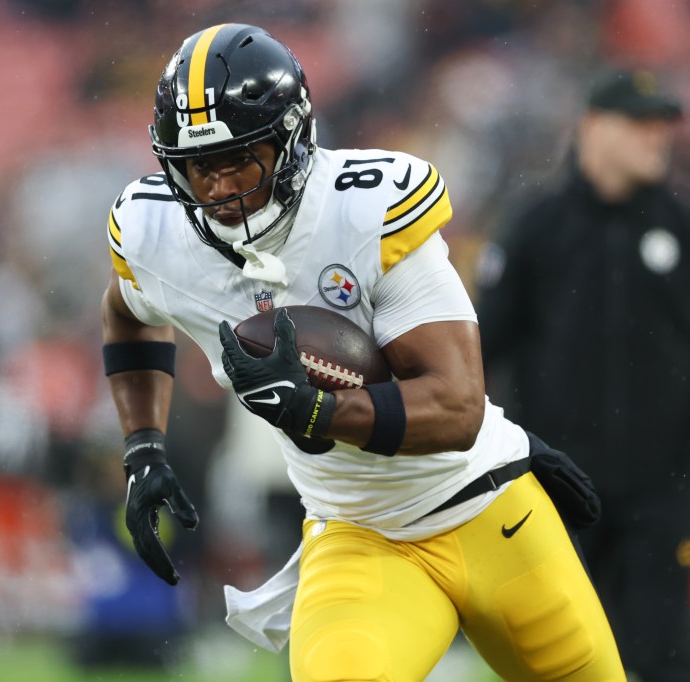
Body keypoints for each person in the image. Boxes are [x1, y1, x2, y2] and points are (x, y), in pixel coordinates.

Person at [101, 23, 625, 682]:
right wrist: (143, 447)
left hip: (488, 507)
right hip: (359, 534)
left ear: (290, 142)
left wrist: (318, 411)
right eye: (199, 168)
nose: (217, 189)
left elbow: (457, 406)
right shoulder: (156, 235)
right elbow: (127, 313)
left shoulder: (365, 208)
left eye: (240, 161)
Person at [476, 68, 690, 681]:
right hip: (555, 488)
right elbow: (481, 350)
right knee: (558, 656)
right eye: (640, 124)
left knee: (668, 656)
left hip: (662, 490)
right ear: (592, 128)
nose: (657, 138)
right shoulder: (537, 229)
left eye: (663, 125)